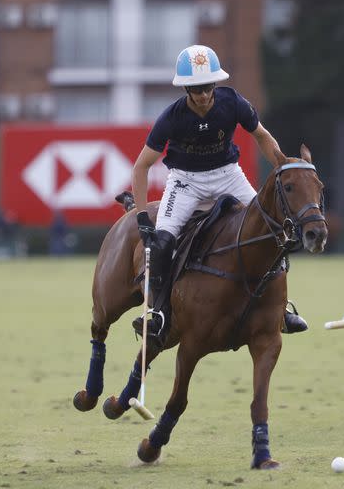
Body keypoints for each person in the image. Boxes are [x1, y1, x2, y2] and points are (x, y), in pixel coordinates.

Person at [132, 44, 308, 346]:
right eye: (196, 89)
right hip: (185, 182)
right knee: (162, 243)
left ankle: (282, 309)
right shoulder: (172, 117)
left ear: (216, 84)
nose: (202, 95)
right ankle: (159, 313)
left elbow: (261, 136)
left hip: (228, 174)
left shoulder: (233, 103)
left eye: (207, 87)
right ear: (186, 88)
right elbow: (141, 166)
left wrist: (280, 164)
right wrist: (141, 217)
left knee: (271, 229)